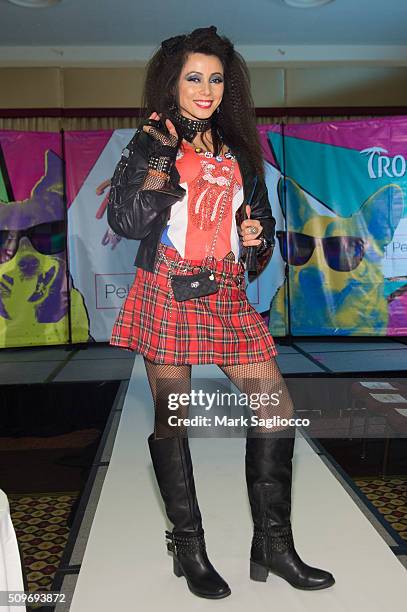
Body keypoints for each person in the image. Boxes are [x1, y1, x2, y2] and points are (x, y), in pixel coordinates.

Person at [107, 25, 335, 600]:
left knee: (275, 409)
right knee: (174, 418)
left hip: (228, 295)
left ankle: (273, 546)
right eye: (193, 78)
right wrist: (163, 157)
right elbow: (127, 221)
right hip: (168, 293)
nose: (206, 89)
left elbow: (259, 239)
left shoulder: (238, 150)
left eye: (215, 78)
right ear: (172, 82)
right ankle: (190, 549)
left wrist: (253, 235)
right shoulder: (151, 141)